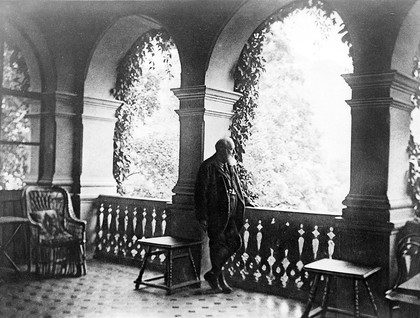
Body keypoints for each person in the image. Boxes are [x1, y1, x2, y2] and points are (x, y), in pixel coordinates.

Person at [194, 137, 252, 293]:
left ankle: (213, 274)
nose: (232, 152)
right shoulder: (207, 167)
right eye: (230, 150)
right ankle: (219, 279)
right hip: (216, 216)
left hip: (231, 216)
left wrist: (247, 201)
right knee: (217, 246)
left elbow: (237, 187)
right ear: (222, 150)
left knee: (236, 242)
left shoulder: (229, 165)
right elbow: (200, 194)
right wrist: (203, 217)